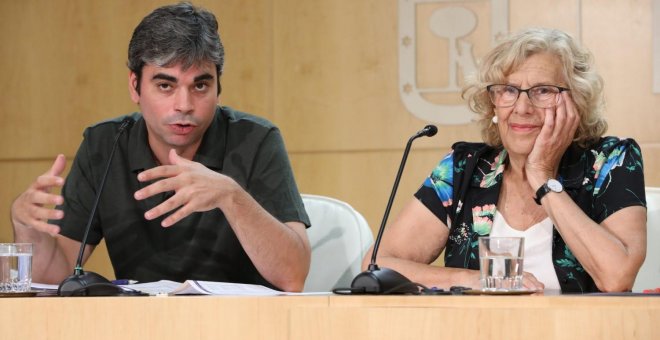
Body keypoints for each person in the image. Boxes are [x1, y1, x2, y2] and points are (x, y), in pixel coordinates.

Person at [10, 2, 311, 292]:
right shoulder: (105, 145)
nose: (184, 105)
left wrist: (231, 197)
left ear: (219, 87)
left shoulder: (255, 140)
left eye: (200, 85)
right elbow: (56, 275)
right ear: (135, 86)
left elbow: (293, 276)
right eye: (165, 86)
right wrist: (25, 228)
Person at [363, 28, 646, 293]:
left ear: (576, 102)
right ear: (493, 104)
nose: (522, 108)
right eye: (509, 91)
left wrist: (542, 178)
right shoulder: (464, 168)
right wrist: (470, 279)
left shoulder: (611, 161)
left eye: (543, 91)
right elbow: (377, 264)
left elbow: (617, 278)